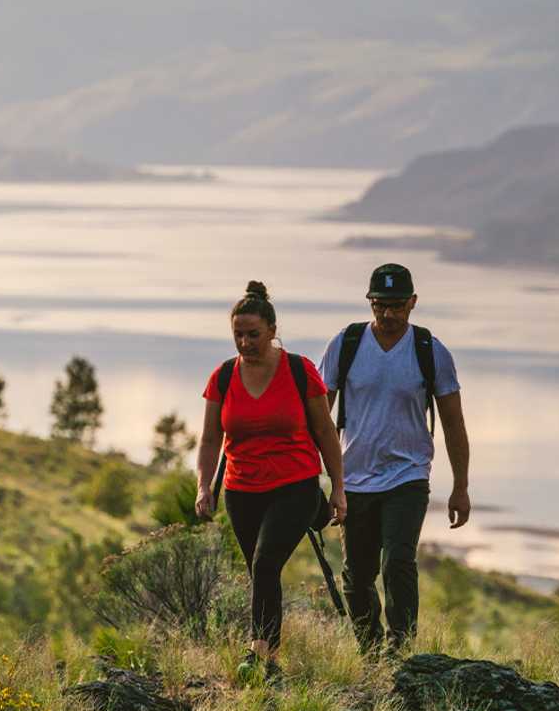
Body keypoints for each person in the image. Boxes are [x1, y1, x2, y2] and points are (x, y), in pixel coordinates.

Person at [195, 281, 347, 679]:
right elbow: (211, 438)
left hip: (294, 483)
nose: (245, 343)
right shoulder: (224, 376)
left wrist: (338, 488)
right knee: (262, 572)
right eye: (238, 335)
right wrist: (203, 486)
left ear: (273, 331)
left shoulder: (299, 371)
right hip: (242, 490)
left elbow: (325, 431)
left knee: (264, 564)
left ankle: (257, 652)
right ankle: (272, 659)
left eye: (253, 334)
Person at [319, 263, 471, 653]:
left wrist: (460, 488)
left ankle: (399, 649)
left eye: (397, 306)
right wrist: (311, 475)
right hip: (353, 478)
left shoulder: (429, 351)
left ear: (413, 303)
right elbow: (319, 415)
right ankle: (371, 653)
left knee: (398, 563)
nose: (388, 314)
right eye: (380, 305)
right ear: (370, 303)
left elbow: (453, 423)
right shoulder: (346, 344)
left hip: (408, 475)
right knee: (356, 575)